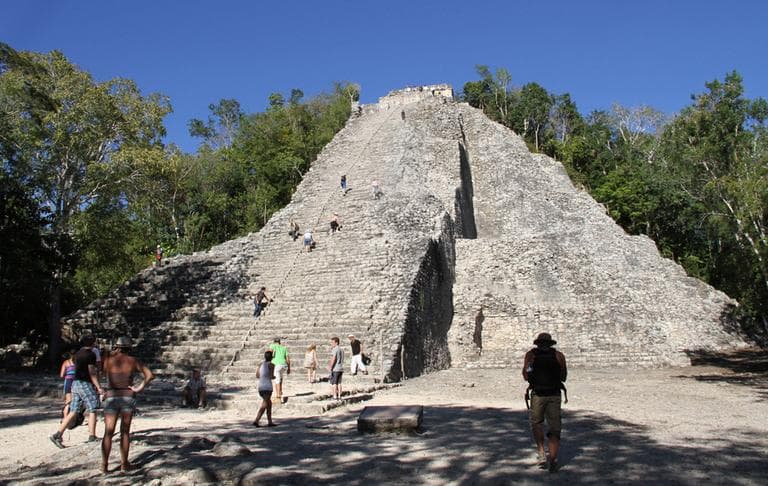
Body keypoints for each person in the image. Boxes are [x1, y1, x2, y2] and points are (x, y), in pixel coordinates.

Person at [100, 336, 154, 474]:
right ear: (129, 348)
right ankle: (124, 463)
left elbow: (99, 370)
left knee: (108, 432)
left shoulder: (108, 360)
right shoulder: (133, 361)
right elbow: (149, 375)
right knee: (125, 432)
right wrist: (139, 387)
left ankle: (104, 465)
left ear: (116, 347)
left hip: (111, 396)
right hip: (127, 396)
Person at [522, 332, 568, 473]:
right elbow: (564, 377)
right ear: (550, 343)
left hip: (538, 394)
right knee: (555, 428)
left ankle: (541, 451)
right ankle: (553, 458)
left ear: (538, 343)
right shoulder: (559, 356)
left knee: (536, 423)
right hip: (554, 394)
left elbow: (525, 375)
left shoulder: (531, 355)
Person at [50, 336, 104, 448]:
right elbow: (91, 371)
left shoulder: (77, 354)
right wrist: (98, 386)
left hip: (75, 383)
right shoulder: (90, 355)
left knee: (74, 410)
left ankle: (58, 434)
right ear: (93, 343)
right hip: (85, 382)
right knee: (93, 408)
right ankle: (92, 435)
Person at [253, 350, 276, 427]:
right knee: (265, 404)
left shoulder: (260, 365)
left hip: (260, 386)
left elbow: (257, 375)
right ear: (272, 357)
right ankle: (256, 420)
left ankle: (270, 421)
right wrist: (274, 377)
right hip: (267, 386)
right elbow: (271, 376)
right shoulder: (272, 365)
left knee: (269, 403)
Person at [269, 338, 291, 402]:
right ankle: (280, 391)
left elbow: (269, 353)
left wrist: (271, 358)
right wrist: (289, 368)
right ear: (279, 342)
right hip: (284, 365)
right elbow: (288, 359)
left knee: (277, 380)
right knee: (280, 378)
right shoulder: (284, 348)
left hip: (277, 365)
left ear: (274, 342)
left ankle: (278, 396)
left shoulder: (273, 346)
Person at [59, 348, 77, 419]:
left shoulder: (66, 363)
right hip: (76, 382)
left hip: (68, 381)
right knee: (75, 400)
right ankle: (70, 417)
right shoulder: (78, 362)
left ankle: (65, 418)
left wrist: (68, 374)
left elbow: (61, 375)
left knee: (68, 400)